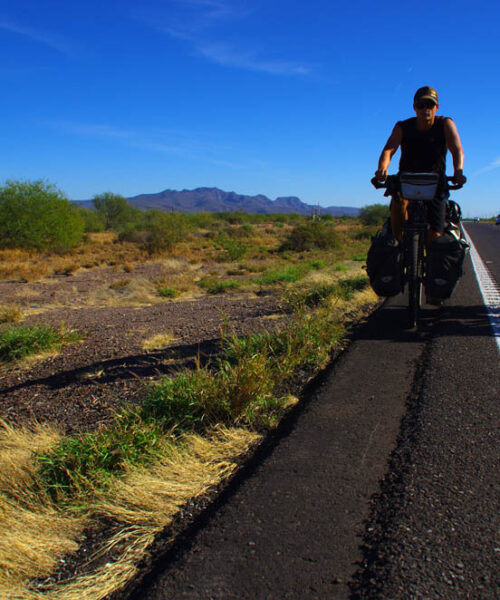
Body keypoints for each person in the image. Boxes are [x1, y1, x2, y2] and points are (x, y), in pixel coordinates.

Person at [374, 86, 466, 242]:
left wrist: (458, 171)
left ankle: (433, 248)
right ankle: (399, 243)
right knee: (398, 202)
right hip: (407, 180)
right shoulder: (403, 127)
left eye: (430, 105)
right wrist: (382, 169)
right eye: (421, 105)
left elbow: (457, 149)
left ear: (436, 107)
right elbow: (389, 150)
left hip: (435, 181)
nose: (425, 109)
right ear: (414, 108)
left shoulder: (445, 124)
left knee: (436, 236)